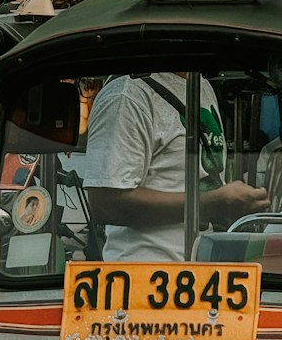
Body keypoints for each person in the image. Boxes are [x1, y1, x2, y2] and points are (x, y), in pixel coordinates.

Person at [82, 72, 270, 261]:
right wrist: (213, 203)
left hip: (198, 273)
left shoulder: (201, 84)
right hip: (145, 275)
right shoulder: (127, 96)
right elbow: (105, 203)